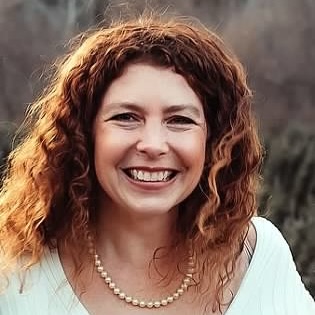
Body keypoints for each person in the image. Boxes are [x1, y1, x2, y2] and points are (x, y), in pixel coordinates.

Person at [0, 13, 314, 315]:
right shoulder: (14, 273)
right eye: (126, 117)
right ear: (85, 134)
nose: (152, 145)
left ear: (213, 140)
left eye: (179, 120)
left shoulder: (258, 256)